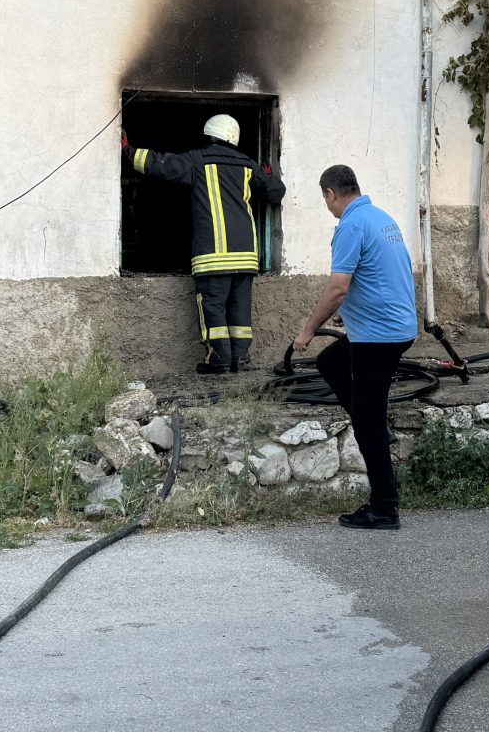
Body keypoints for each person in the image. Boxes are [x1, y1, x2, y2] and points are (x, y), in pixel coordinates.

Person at [291, 164, 419, 531]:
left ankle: (384, 508)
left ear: (331, 194)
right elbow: (384, 273)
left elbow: (338, 287)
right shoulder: (381, 219)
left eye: (326, 200)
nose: (328, 206)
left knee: (367, 422)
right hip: (395, 327)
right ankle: (374, 422)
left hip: (378, 337)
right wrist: (352, 315)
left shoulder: (350, 225)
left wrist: (307, 331)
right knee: (331, 361)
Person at [128, 114, 283, 375]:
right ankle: (241, 358)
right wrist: (268, 176)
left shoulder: (198, 160)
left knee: (212, 306)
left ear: (210, 135)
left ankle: (220, 358)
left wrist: (128, 151)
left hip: (213, 256)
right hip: (246, 257)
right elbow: (275, 192)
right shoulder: (248, 165)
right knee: (239, 309)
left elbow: (162, 165)